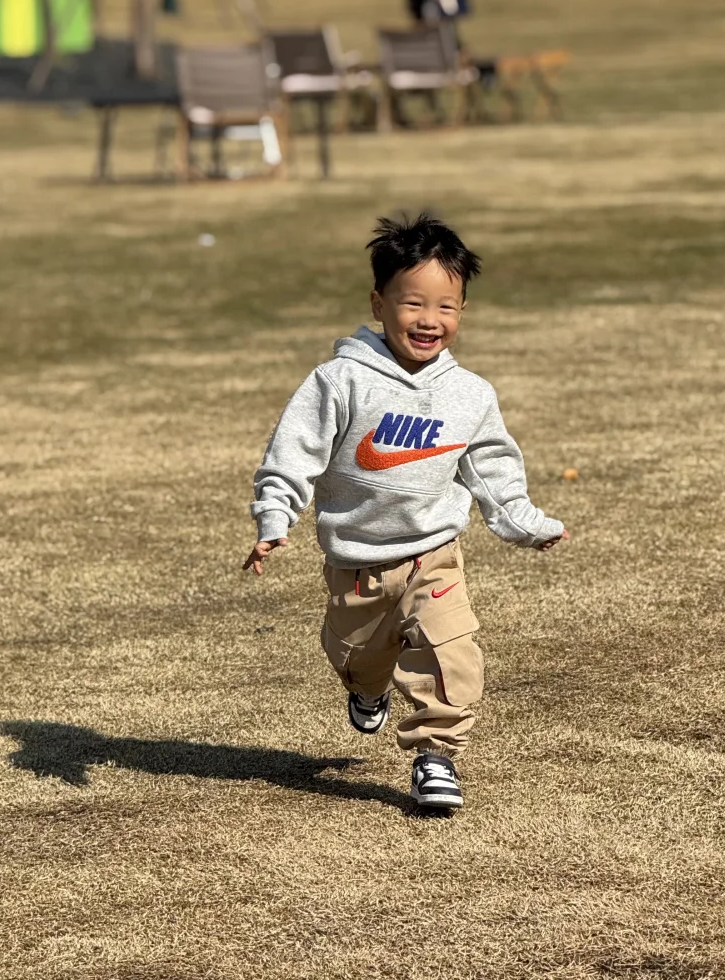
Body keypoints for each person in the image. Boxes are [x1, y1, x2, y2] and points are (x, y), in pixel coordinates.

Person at [243, 213, 567, 810]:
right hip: (357, 565)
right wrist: (275, 517)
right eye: (412, 303)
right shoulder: (340, 381)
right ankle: (367, 691)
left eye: (446, 307)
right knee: (358, 660)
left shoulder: (470, 395)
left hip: (433, 554)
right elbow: (293, 453)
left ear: (463, 310)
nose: (429, 320)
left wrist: (523, 523)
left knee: (452, 654)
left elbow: (492, 469)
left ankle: (435, 757)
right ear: (379, 303)